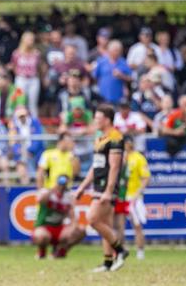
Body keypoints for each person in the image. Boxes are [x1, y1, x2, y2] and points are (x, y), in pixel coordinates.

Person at [74, 104, 129, 272]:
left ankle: (120, 250)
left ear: (106, 119)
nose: (96, 122)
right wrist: (83, 186)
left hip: (107, 186)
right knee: (105, 224)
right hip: (98, 184)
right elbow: (96, 166)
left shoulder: (115, 138)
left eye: (98, 119)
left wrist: (108, 190)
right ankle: (107, 263)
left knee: (93, 219)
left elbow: (114, 167)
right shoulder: (99, 138)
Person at [33, 175, 85, 259]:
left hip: (59, 227)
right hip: (44, 226)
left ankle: (60, 251)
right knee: (41, 236)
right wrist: (53, 190)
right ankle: (42, 251)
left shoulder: (68, 196)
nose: (62, 186)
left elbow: (72, 214)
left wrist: (74, 228)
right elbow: (40, 200)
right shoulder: (46, 192)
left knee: (81, 230)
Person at [124, 136, 151, 260]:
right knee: (117, 225)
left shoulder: (138, 158)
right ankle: (118, 251)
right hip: (119, 195)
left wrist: (138, 193)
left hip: (133, 196)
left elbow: (146, 177)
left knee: (137, 224)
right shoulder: (118, 157)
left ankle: (140, 252)